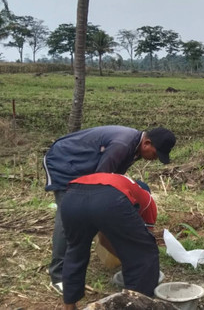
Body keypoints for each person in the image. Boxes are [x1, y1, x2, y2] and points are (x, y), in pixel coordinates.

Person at [43, 125, 176, 295]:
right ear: (147, 143)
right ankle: (59, 274)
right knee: (68, 214)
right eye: (155, 154)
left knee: (93, 206)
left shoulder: (134, 148)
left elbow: (114, 180)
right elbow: (101, 181)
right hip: (65, 161)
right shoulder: (123, 145)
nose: (154, 159)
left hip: (83, 164)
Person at [60, 173, 159, 309]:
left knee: (75, 251)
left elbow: (103, 239)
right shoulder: (147, 199)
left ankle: (69, 306)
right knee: (145, 255)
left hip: (71, 197)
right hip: (109, 200)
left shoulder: (117, 181)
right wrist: (132, 261)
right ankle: (137, 305)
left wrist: (126, 259)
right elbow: (143, 246)